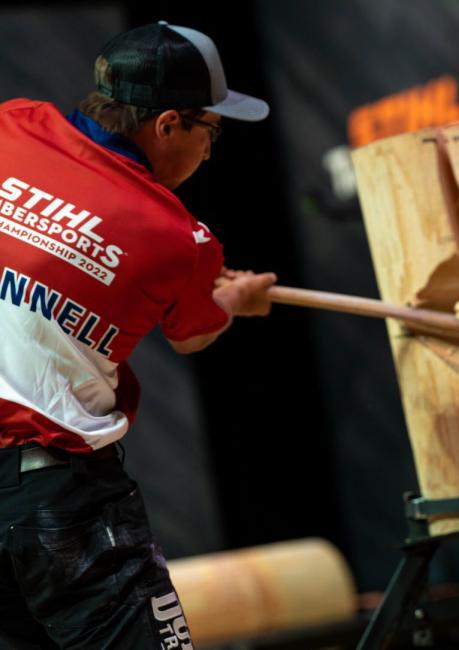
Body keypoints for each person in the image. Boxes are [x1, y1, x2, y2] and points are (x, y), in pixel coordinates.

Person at [0, 21, 276, 649]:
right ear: (169, 124)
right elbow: (192, 336)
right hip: (55, 497)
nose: (210, 151)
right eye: (213, 130)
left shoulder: (10, 122)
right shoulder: (180, 236)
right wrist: (236, 300)